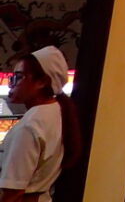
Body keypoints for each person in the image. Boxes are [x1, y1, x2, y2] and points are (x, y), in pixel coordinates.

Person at [0, 46, 81, 202]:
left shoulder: (29, 126)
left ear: (42, 81)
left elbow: (13, 192)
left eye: (18, 77)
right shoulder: (56, 111)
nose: (11, 84)